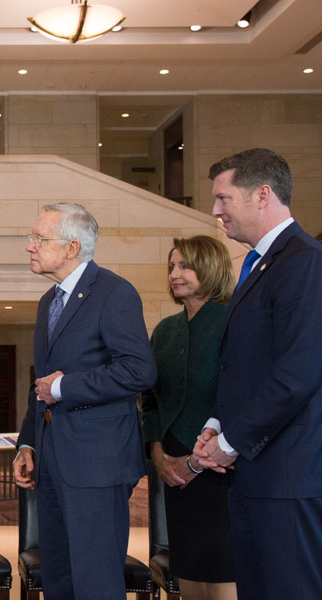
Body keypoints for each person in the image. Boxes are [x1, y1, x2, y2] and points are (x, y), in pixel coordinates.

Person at [192, 148, 322, 599]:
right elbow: (246, 368)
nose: (216, 211)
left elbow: (297, 374)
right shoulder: (258, 263)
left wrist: (230, 443)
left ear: (262, 194)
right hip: (255, 472)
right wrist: (216, 424)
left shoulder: (305, 260)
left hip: (287, 474)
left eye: (224, 198)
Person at [13, 203, 156, 600]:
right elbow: (41, 383)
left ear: (72, 246)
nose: (30, 246)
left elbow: (139, 371)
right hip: (51, 460)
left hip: (97, 464)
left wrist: (66, 388)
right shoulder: (48, 302)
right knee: (59, 577)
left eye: (40, 239)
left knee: (95, 581)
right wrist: (27, 442)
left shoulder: (114, 292)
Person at [140, 235, 237, 600]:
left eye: (184, 265)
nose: (174, 274)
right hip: (174, 472)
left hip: (222, 467)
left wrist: (202, 457)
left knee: (224, 570)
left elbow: (241, 395)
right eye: (171, 267)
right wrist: (157, 452)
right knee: (190, 571)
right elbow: (149, 398)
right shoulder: (165, 331)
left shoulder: (233, 321)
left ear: (210, 268)